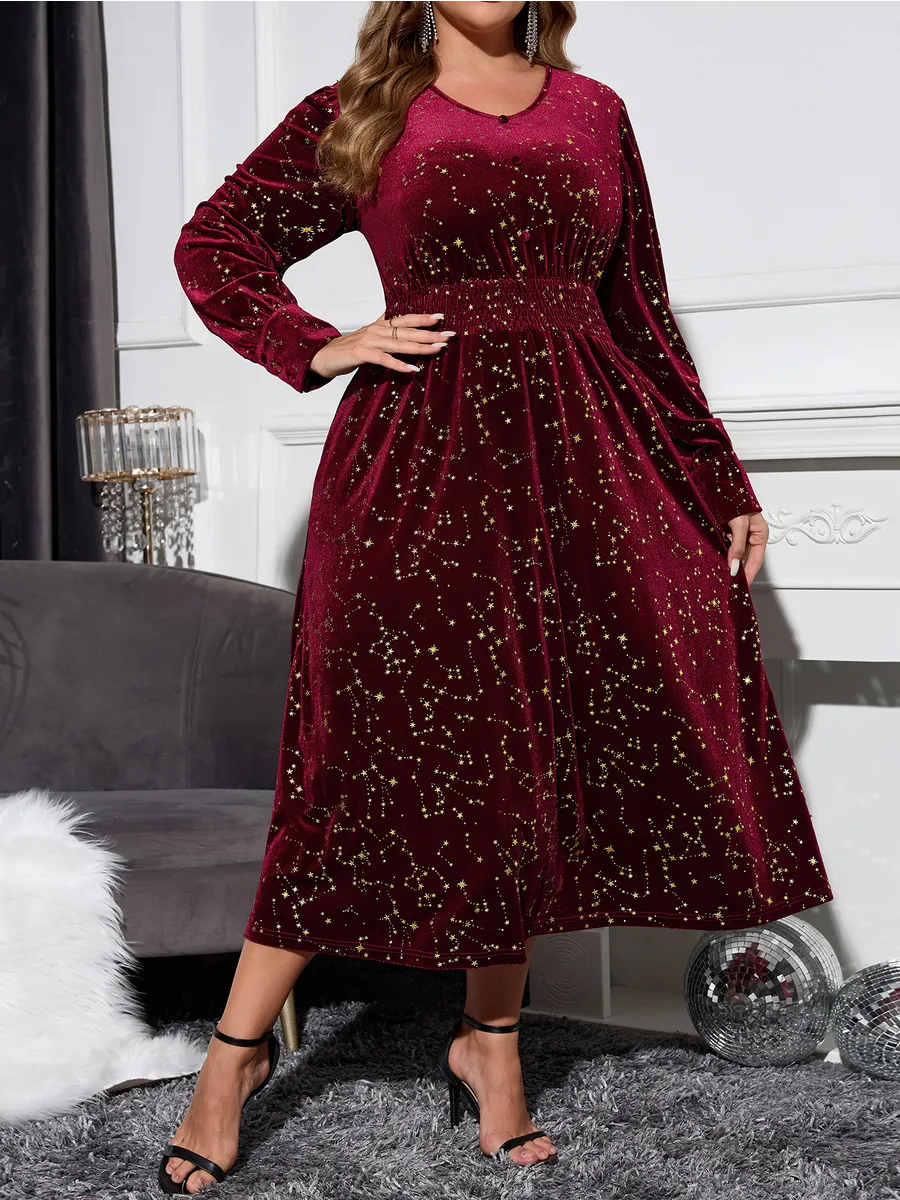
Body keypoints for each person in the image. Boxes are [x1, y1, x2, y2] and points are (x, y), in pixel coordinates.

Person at [163, 0, 834, 1190]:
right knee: (357, 768)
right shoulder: (362, 111)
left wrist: (714, 473)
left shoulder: (595, 113)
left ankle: (493, 1045)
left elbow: (640, 314)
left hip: (586, 465)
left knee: (526, 765)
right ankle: (236, 1054)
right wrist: (315, 342)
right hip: (418, 467)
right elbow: (216, 244)